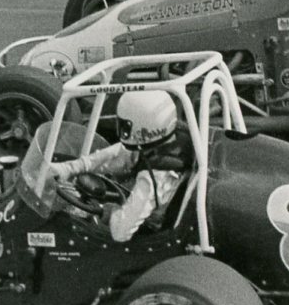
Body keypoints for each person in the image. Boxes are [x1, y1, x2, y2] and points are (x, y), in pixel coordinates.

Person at [49, 91, 191, 242]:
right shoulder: (173, 140)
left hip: (146, 234)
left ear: (142, 128)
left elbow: (120, 232)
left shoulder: (153, 177)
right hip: (153, 215)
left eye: (125, 125)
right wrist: (72, 168)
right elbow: (122, 154)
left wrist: (110, 213)